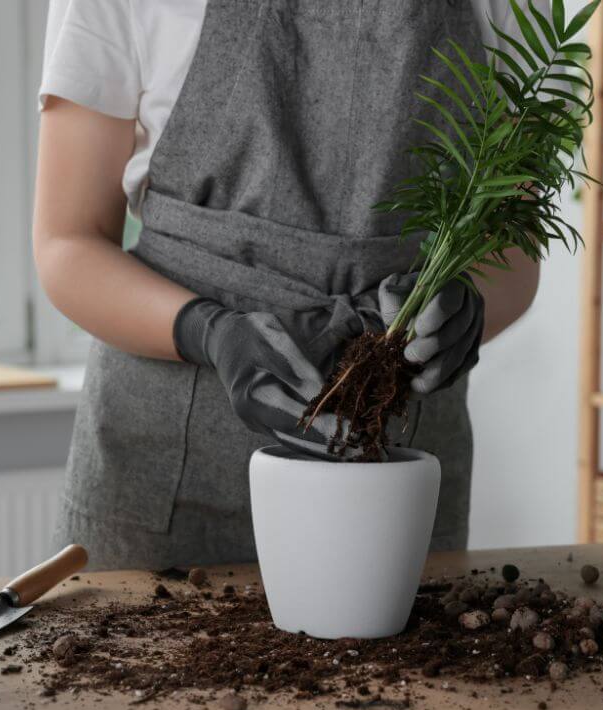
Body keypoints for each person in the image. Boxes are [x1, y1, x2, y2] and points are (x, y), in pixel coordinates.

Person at [34, 0, 545, 570]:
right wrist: (209, 331)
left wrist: (463, 309)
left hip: (396, 468)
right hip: (167, 471)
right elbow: (68, 242)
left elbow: (511, 251)